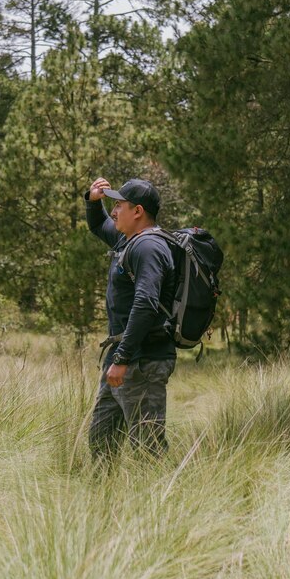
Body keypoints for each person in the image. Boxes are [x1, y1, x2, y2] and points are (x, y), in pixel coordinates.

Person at [85, 177, 177, 462]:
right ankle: (105, 503)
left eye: (119, 205)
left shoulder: (149, 248)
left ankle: (164, 504)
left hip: (142, 361)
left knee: (147, 450)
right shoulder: (129, 240)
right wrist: (92, 200)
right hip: (123, 358)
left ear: (137, 211)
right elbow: (98, 225)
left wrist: (122, 359)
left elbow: (146, 303)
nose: (114, 212)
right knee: (102, 443)